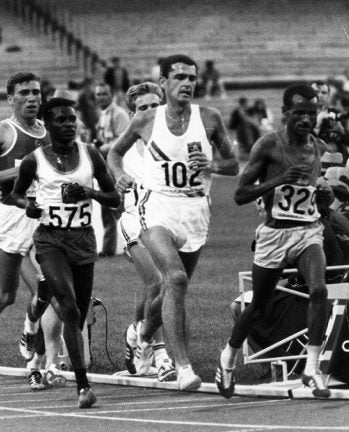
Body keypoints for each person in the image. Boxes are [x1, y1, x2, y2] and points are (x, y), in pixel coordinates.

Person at [108, 54, 239, 391]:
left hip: (196, 211)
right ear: (164, 82)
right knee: (175, 278)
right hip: (157, 208)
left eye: (192, 78)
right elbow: (114, 154)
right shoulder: (146, 121)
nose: (187, 83)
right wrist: (120, 174)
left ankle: (142, 334)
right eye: (179, 77)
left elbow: (233, 164)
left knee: (173, 288)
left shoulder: (209, 118)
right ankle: (182, 367)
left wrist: (211, 166)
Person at [216, 84, 334, 399]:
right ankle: (227, 357)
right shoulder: (268, 146)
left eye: (312, 113)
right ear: (285, 113)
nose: (307, 120)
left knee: (319, 289)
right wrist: (278, 180)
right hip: (274, 234)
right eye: (300, 114)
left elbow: (318, 200)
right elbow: (240, 194)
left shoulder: (317, 147)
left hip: (308, 231)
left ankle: (312, 369)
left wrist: (326, 196)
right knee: (258, 307)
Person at [7, 97, 120, 408]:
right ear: (48, 124)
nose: (69, 125)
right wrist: (28, 206)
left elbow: (114, 198)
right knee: (69, 308)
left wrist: (89, 192)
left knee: (79, 314)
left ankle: (38, 323)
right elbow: (15, 196)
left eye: (72, 119)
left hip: (83, 241)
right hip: (50, 241)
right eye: (61, 120)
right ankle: (83, 387)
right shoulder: (34, 161)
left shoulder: (91, 155)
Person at [0, 72, 52, 362]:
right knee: (7, 294)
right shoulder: (1, 132)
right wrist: (19, 171)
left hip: (43, 217)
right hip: (13, 215)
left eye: (36, 93)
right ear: (10, 99)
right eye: (25, 93)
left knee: (45, 288)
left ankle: (35, 342)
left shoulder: (50, 132)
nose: (32, 98)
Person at [117, 82, 177, 381]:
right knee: (157, 281)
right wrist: (118, 179)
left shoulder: (174, 142)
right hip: (133, 220)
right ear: (132, 114)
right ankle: (162, 354)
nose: (150, 112)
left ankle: (136, 334)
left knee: (152, 286)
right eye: (143, 108)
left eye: (155, 106)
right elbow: (110, 168)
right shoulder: (125, 149)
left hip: (163, 222)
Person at [94, 82, 129, 257]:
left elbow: (123, 140)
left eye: (104, 94)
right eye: (98, 94)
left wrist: (103, 147)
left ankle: (134, 243)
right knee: (107, 207)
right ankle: (109, 249)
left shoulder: (119, 114)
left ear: (112, 94)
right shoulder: (103, 114)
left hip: (116, 167)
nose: (101, 97)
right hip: (105, 168)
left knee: (120, 207)